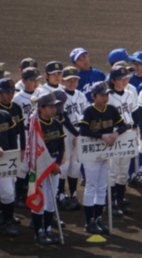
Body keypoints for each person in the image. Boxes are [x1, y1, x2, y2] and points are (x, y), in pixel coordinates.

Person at [79, 82, 127, 234]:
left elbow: (123, 125)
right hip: (91, 154)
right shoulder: (89, 110)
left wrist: (116, 133)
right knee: (91, 186)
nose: (105, 97)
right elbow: (83, 130)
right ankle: (89, 221)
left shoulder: (111, 109)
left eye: (107, 94)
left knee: (102, 187)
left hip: (106, 152)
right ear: (93, 96)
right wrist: (102, 136)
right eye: (102, 95)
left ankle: (98, 218)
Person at [30, 92, 65, 244]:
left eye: (55, 106)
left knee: (51, 199)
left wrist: (56, 163)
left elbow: (62, 146)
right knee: (39, 197)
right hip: (39, 167)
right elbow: (35, 149)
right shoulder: (35, 126)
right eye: (50, 107)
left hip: (54, 166)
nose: (54, 109)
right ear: (41, 108)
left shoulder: (57, 123)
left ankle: (48, 229)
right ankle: (39, 232)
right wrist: (51, 165)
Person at [107, 66, 139, 216]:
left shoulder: (130, 94)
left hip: (128, 134)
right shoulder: (108, 96)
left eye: (127, 78)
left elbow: (135, 113)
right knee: (112, 170)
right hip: (114, 135)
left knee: (123, 171)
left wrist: (136, 130)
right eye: (121, 79)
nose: (125, 81)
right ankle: (110, 203)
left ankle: (119, 200)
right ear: (112, 80)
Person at [57, 66, 88, 211]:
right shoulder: (58, 94)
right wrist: (77, 134)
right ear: (62, 80)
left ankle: (73, 194)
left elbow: (85, 115)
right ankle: (60, 195)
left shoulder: (81, 95)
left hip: (79, 131)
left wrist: (81, 132)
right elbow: (63, 118)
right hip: (65, 132)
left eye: (75, 80)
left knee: (75, 165)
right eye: (69, 80)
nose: (73, 83)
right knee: (64, 163)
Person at [13, 67, 42, 208]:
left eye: (37, 80)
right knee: (23, 165)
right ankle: (18, 196)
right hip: (24, 133)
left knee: (36, 164)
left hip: (38, 133)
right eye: (32, 80)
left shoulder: (41, 94)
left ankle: (29, 192)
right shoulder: (17, 98)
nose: (35, 83)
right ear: (23, 81)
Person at [0, 79, 20, 237]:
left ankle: (8, 221)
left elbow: (12, 140)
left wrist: (14, 158)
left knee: (7, 193)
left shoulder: (5, 115)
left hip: (4, 162)